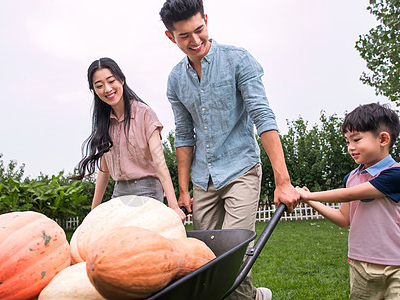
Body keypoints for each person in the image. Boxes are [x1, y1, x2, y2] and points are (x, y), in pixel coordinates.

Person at [159, 1, 299, 299]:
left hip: (241, 169)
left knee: (235, 253)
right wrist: (183, 190)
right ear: (171, 36)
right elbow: (184, 136)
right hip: (202, 179)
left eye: (199, 30)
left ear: (206, 20)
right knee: (203, 257)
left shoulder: (238, 60)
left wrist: (283, 181)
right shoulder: (175, 80)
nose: (195, 41)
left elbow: (263, 116)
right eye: (184, 36)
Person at [296, 103, 400, 299]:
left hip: (396, 266)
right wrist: (309, 201)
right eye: (347, 141)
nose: (350, 147)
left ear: (383, 139)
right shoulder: (350, 178)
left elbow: (350, 195)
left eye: (357, 139)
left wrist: (309, 195)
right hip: (360, 264)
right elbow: (344, 219)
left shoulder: (395, 174)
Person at [72, 57, 185, 221]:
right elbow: (104, 170)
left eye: (111, 81)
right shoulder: (104, 122)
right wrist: (93, 212)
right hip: (119, 192)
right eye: (99, 86)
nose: (107, 89)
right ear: (94, 91)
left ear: (122, 80)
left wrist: (173, 207)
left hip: (148, 190)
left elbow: (160, 163)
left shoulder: (144, 114)